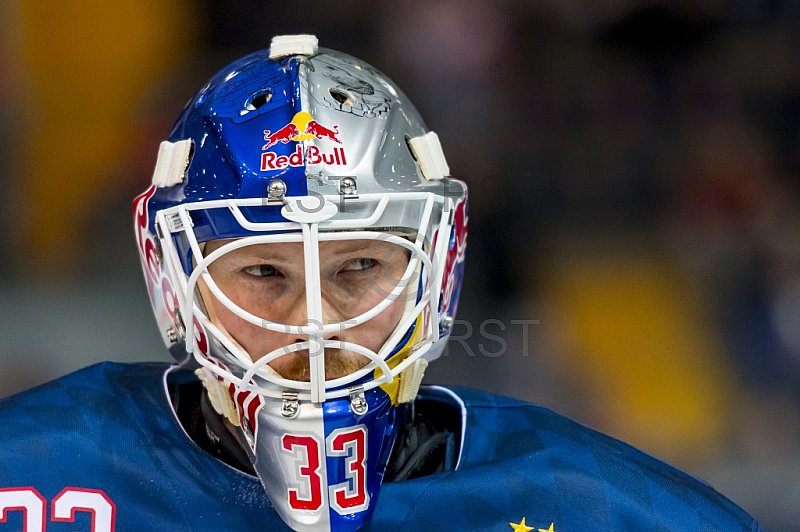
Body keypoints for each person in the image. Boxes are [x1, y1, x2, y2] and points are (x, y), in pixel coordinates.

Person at [0, 35, 763, 532]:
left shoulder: (605, 511)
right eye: (263, 271)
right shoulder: (29, 478)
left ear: (435, 270)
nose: (313, 322)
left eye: (358, 268)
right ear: (177, 283)